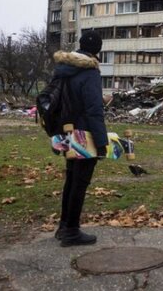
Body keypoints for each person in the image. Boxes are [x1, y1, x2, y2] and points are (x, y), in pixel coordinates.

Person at [53, 30, 108, 247]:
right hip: (84, 134)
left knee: (71, 179)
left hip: (66, 132)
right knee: (80, 182)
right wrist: (101, 143)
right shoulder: (90, 72)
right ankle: (72, 231)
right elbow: (94, 110)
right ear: (97, 49)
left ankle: (64, 226)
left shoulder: (65, 69)